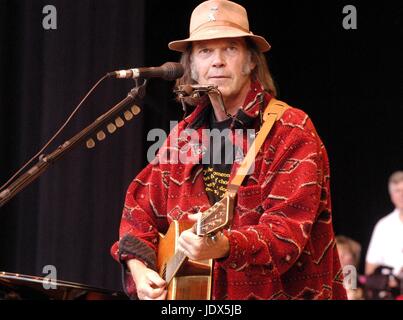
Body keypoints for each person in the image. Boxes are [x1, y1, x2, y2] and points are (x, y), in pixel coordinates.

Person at [110, 0, 347, 300]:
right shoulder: (182, 137)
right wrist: (140, 270)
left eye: (230, 49)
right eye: (205, 51)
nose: (217, 61)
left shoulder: (289, 129)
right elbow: (138, 210)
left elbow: (286, 233)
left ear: (251, 61)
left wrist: (225, 246)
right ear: (192, 66)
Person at [365, 171, 403, 277]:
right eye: (397, 191)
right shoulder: (383, 226)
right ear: (392, 196)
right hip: (390, 290)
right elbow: (370, 269)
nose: (402, 195)